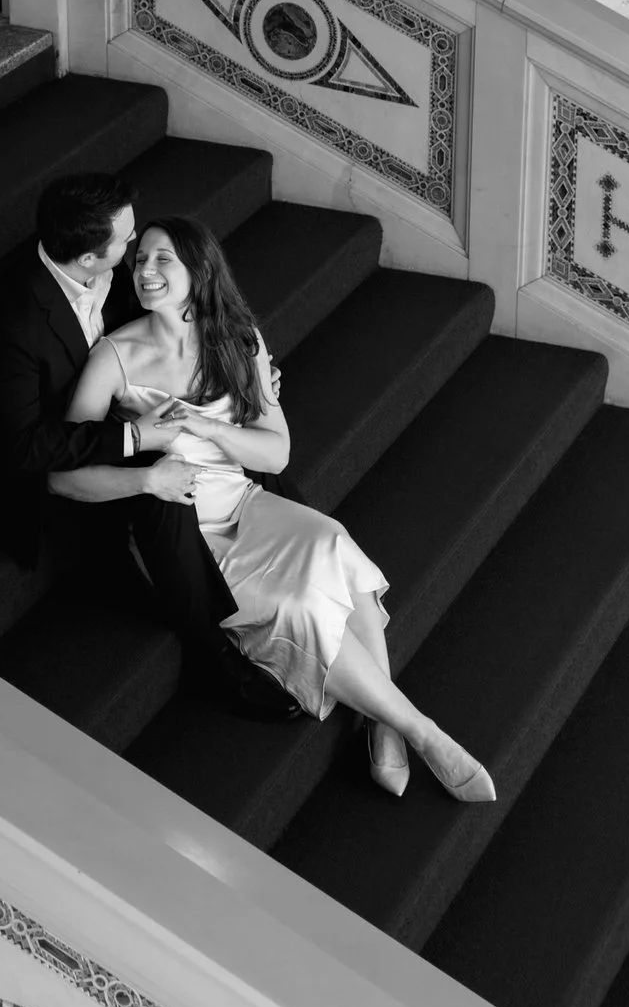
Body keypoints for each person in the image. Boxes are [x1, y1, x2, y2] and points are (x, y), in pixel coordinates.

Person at [54, 215, 498, 807]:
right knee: (298, 605)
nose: (146, 271)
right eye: (141, 261)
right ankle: (423, 732)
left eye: (164, 260)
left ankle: (385, 718)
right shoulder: (115, 357)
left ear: (199, 270)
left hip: (243, 500)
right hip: (182, 530)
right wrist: (150, 477)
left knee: (332, 540)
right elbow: (64, 476)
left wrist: (207, 425)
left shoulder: (238, 341)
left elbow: (276, 448)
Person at [0, 171, 295, 717]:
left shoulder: (115, 273)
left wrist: (252, 373)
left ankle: (304, 563)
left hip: (119, 418)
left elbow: (179, 320)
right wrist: (136, 439)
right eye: (128, 245)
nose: (138, 254)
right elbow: (25, 449)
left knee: (258, 456)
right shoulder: (10, 323)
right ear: (92, 258)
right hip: (54, 468)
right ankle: (209, 651)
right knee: (158, 489)